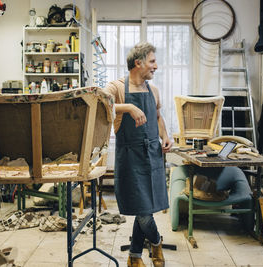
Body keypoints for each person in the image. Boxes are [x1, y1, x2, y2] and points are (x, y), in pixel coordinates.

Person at [104, 42, 173, 267]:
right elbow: (98, 104)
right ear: (138, 63)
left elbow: (158, 117)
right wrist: (128, 108)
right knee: (143, 210)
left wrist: (166, 136)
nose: (156, 66)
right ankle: (155, 242)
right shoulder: (116, 87)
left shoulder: (153, 90)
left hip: (153, 155)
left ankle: (134, 257)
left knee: (147, 207)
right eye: (152, 61)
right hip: (130, 157)